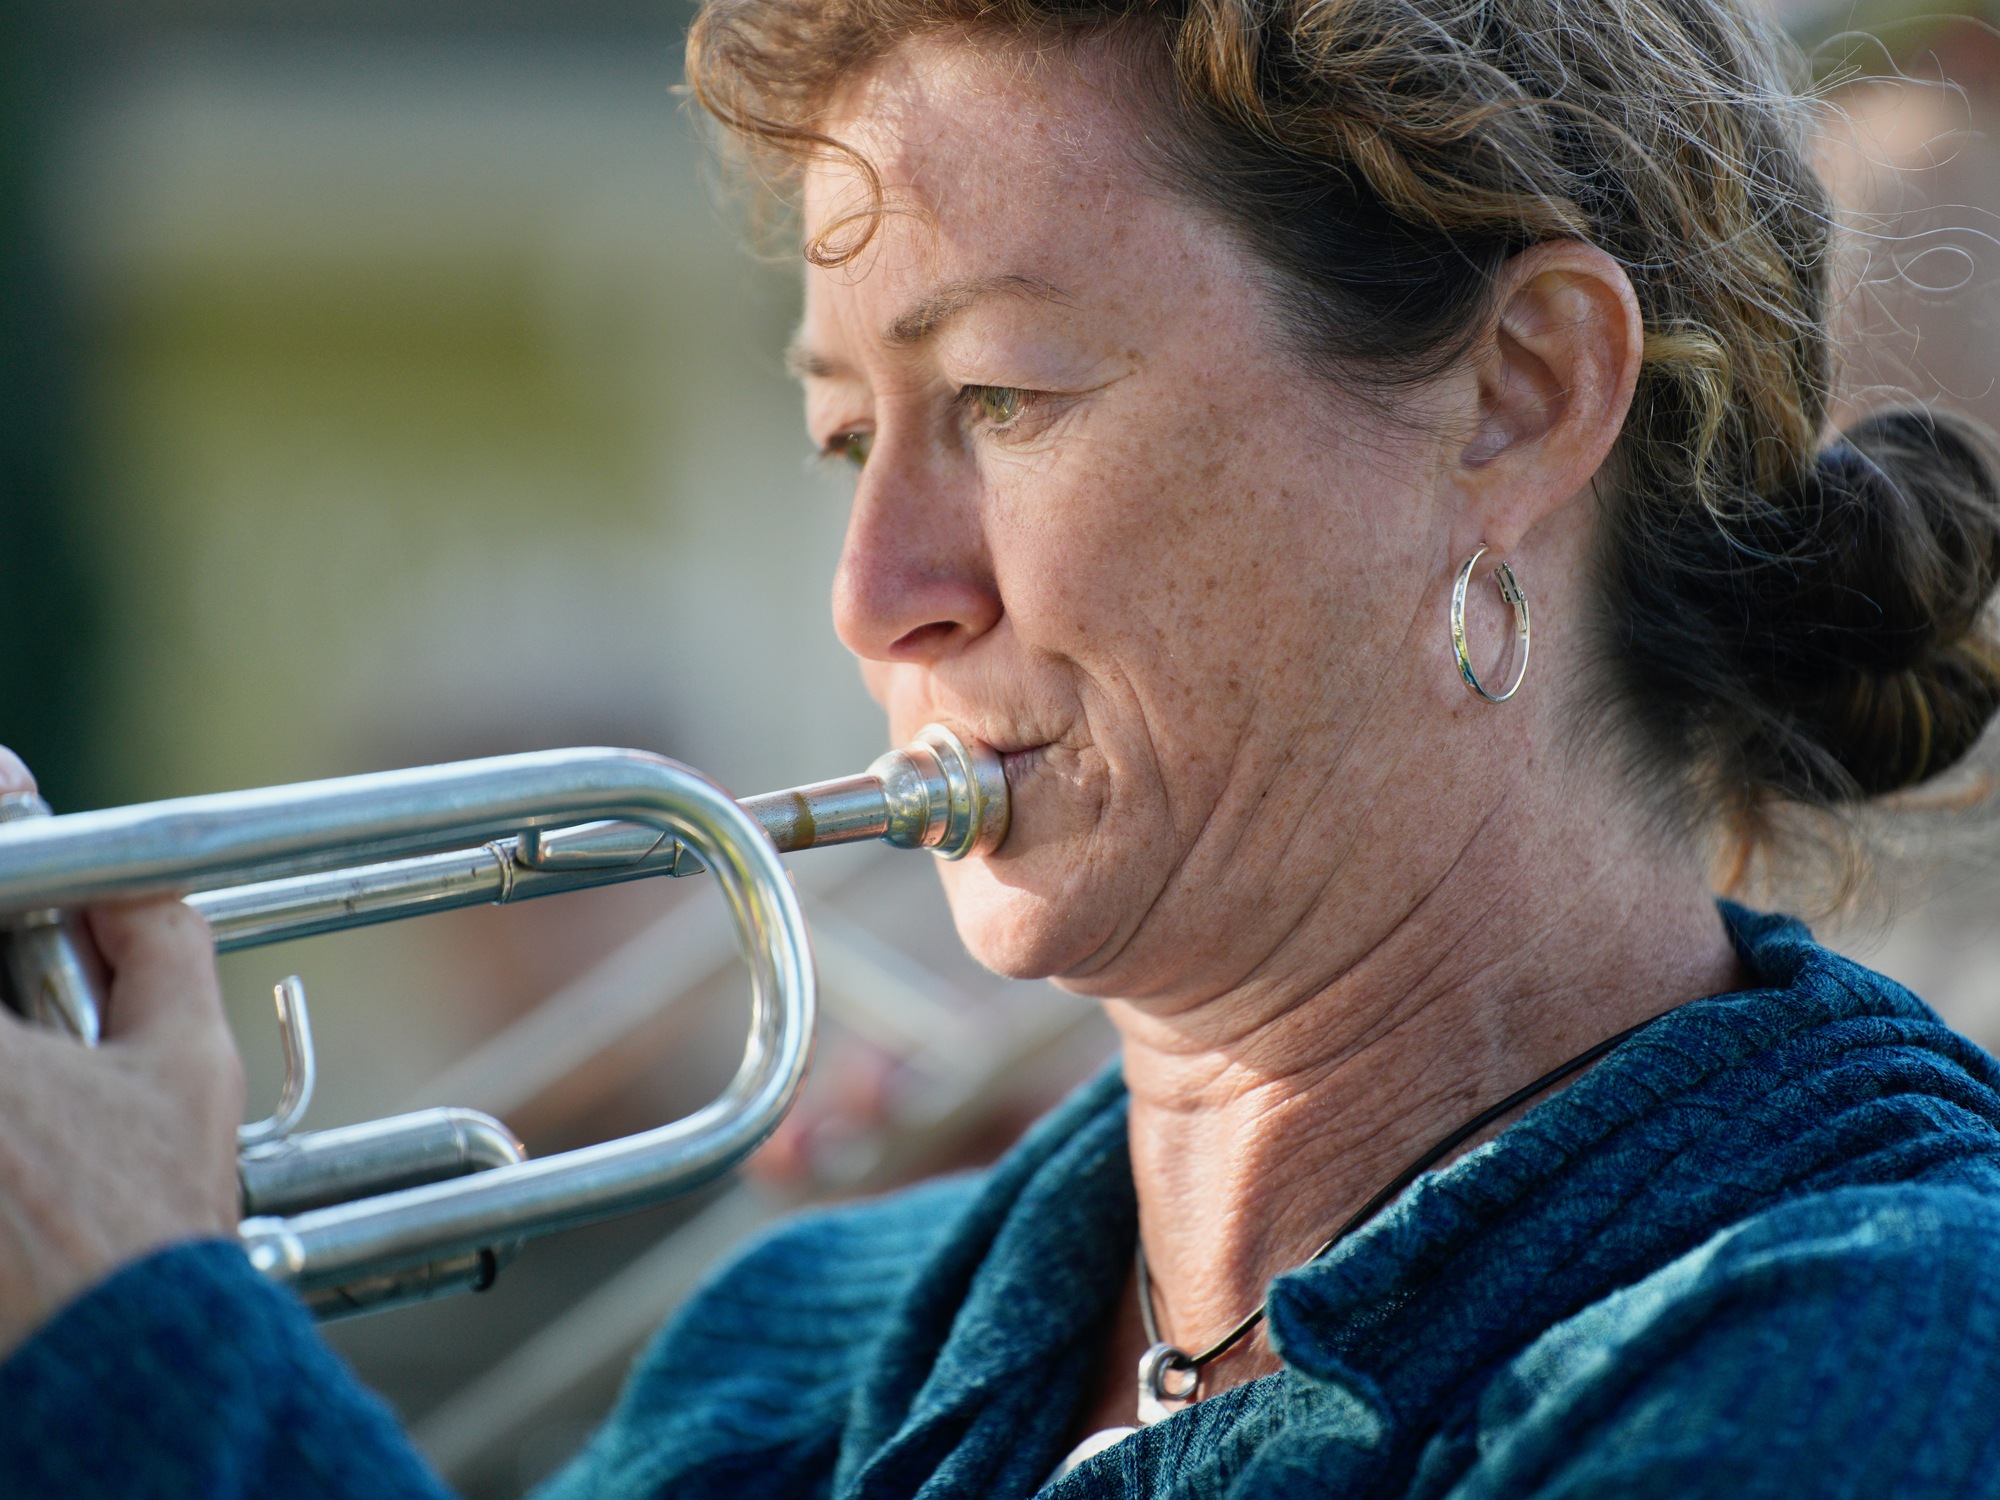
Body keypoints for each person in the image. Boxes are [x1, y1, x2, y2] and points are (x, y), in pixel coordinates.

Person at [8, 0, 2000, 1491]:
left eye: (1003, 398)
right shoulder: (794, 1354)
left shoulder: (1868, 1330)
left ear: (1519, 394)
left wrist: (128, 1340)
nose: (876, 592)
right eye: (846, 439)